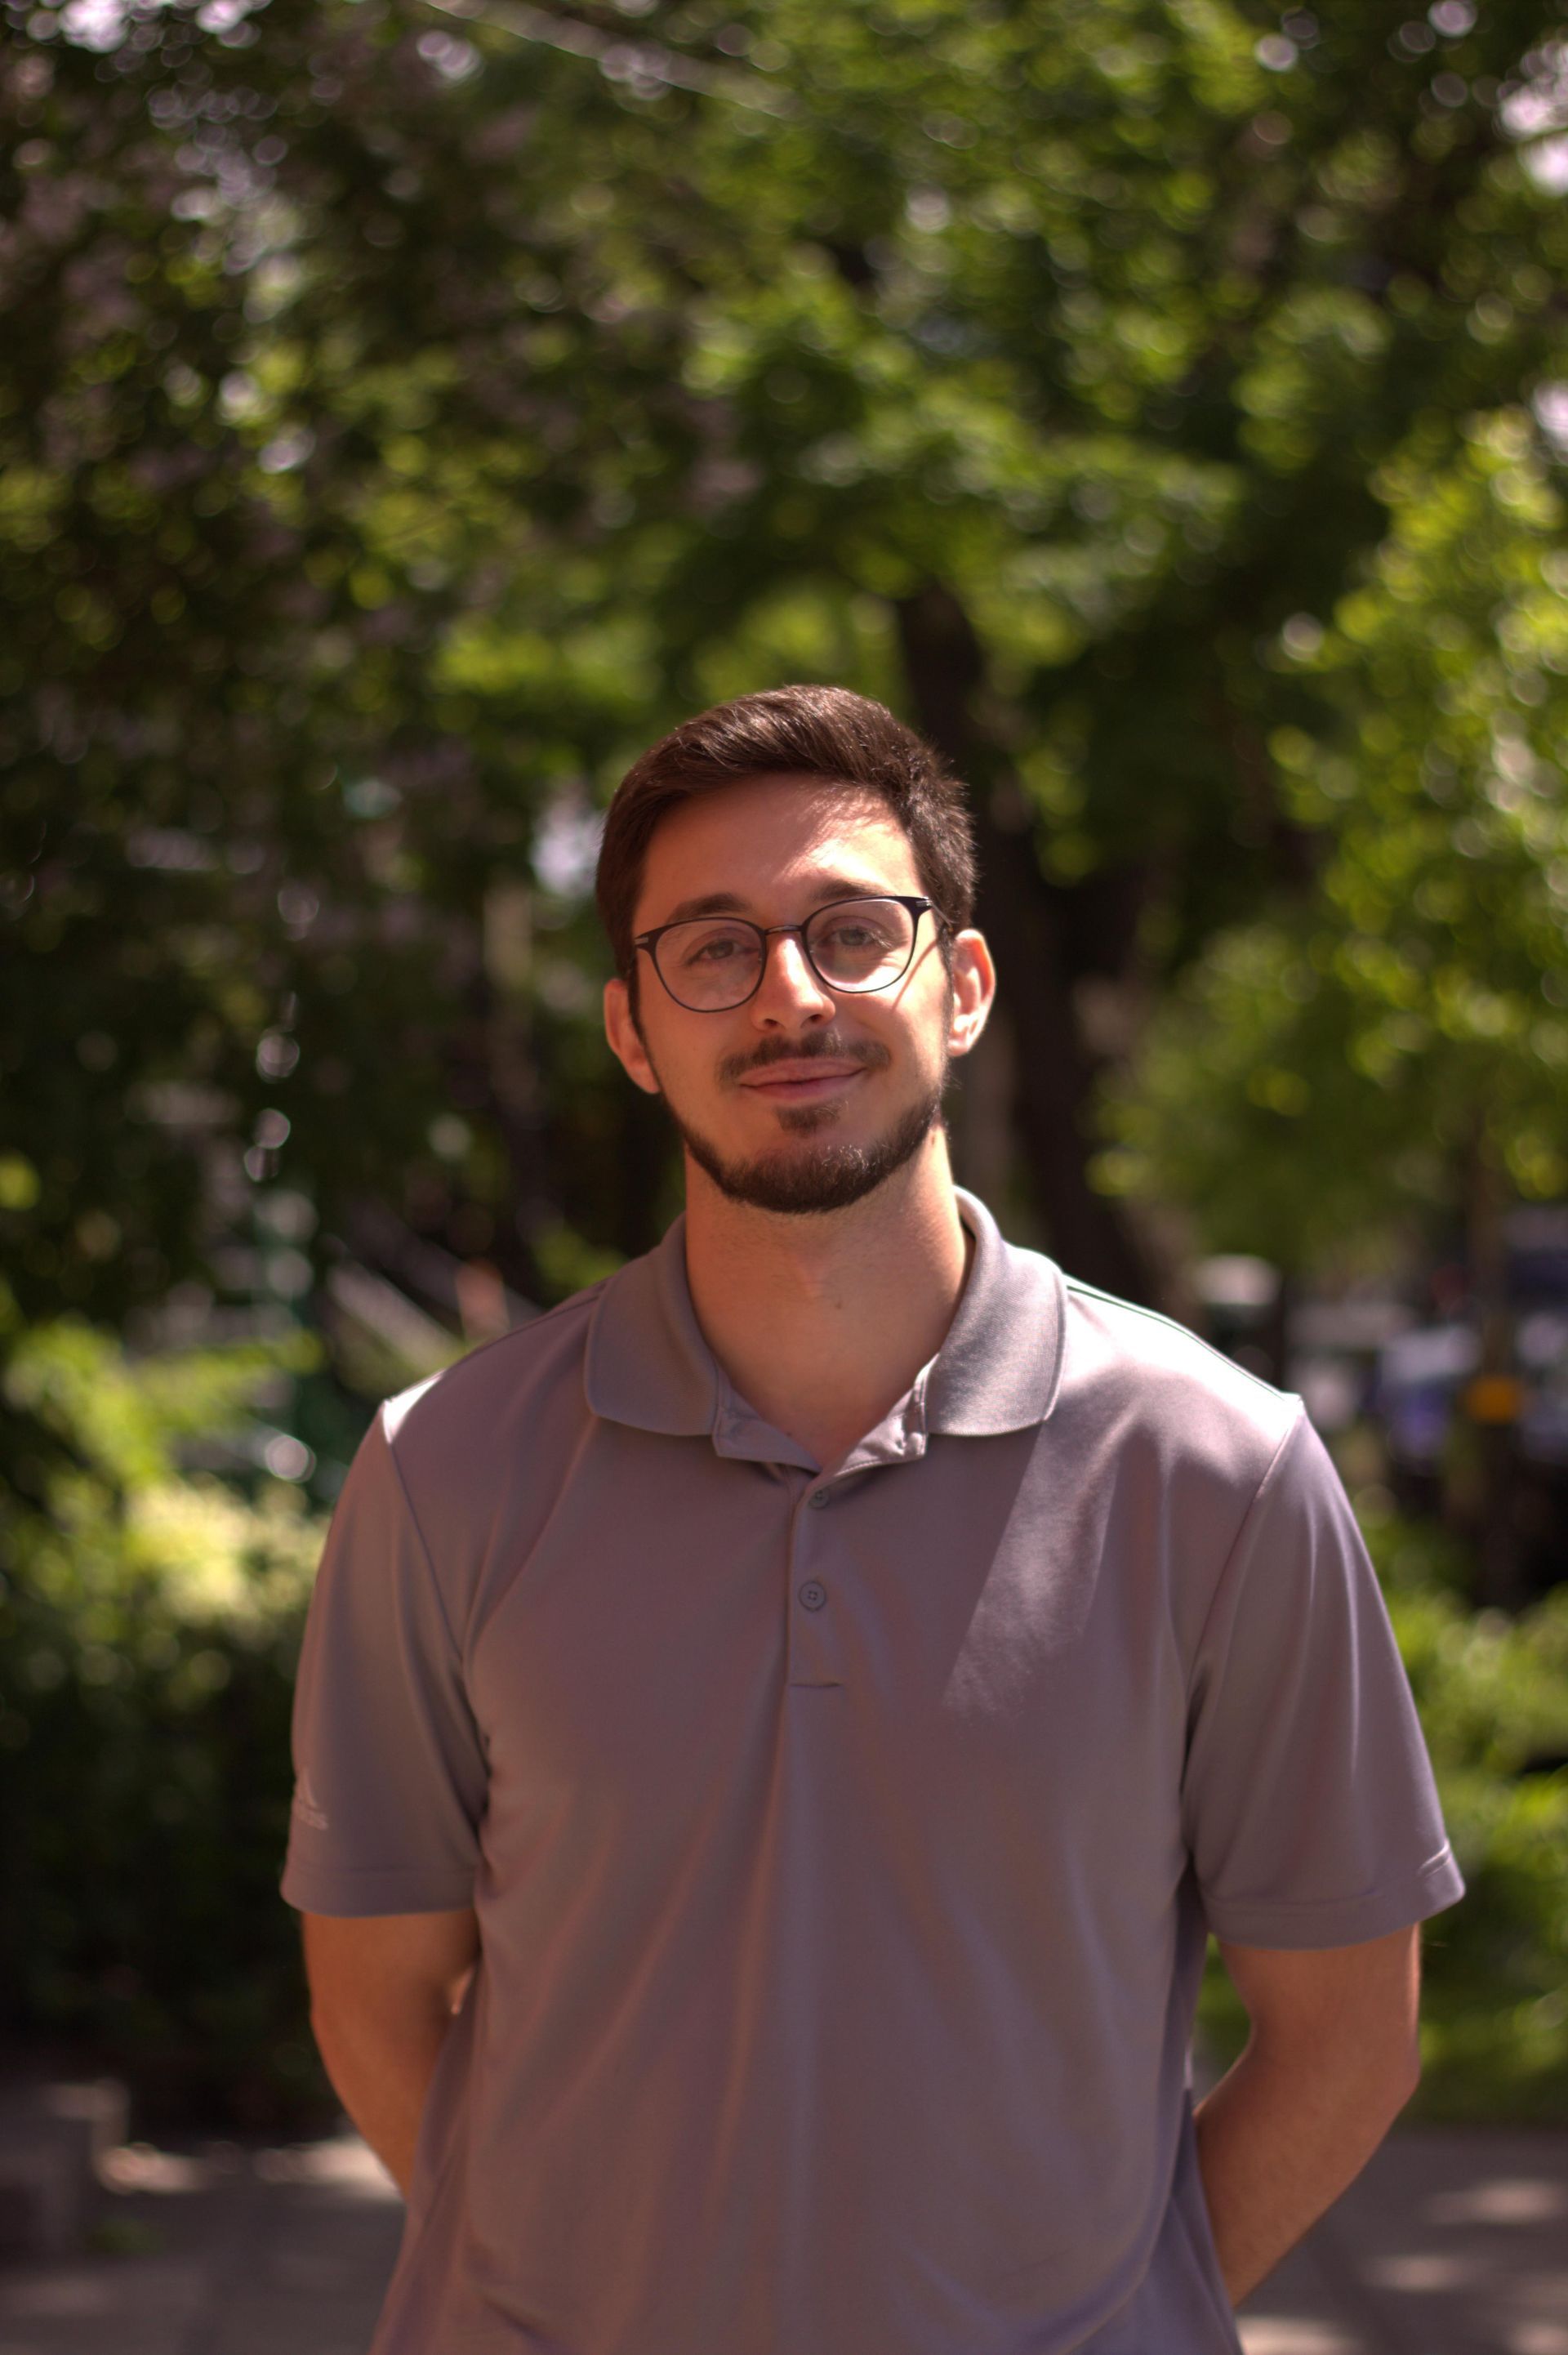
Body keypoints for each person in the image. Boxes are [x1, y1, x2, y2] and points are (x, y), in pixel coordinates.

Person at [283, 685, 1463, 2355]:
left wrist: (1122, 2313)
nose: (790, 994)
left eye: (852, 929)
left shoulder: (1220, 1465)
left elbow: (1350, 2031)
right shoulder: (447, 1468)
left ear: (962, 983)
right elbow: (375, 1994)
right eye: (713, 946)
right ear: (632, 1026)